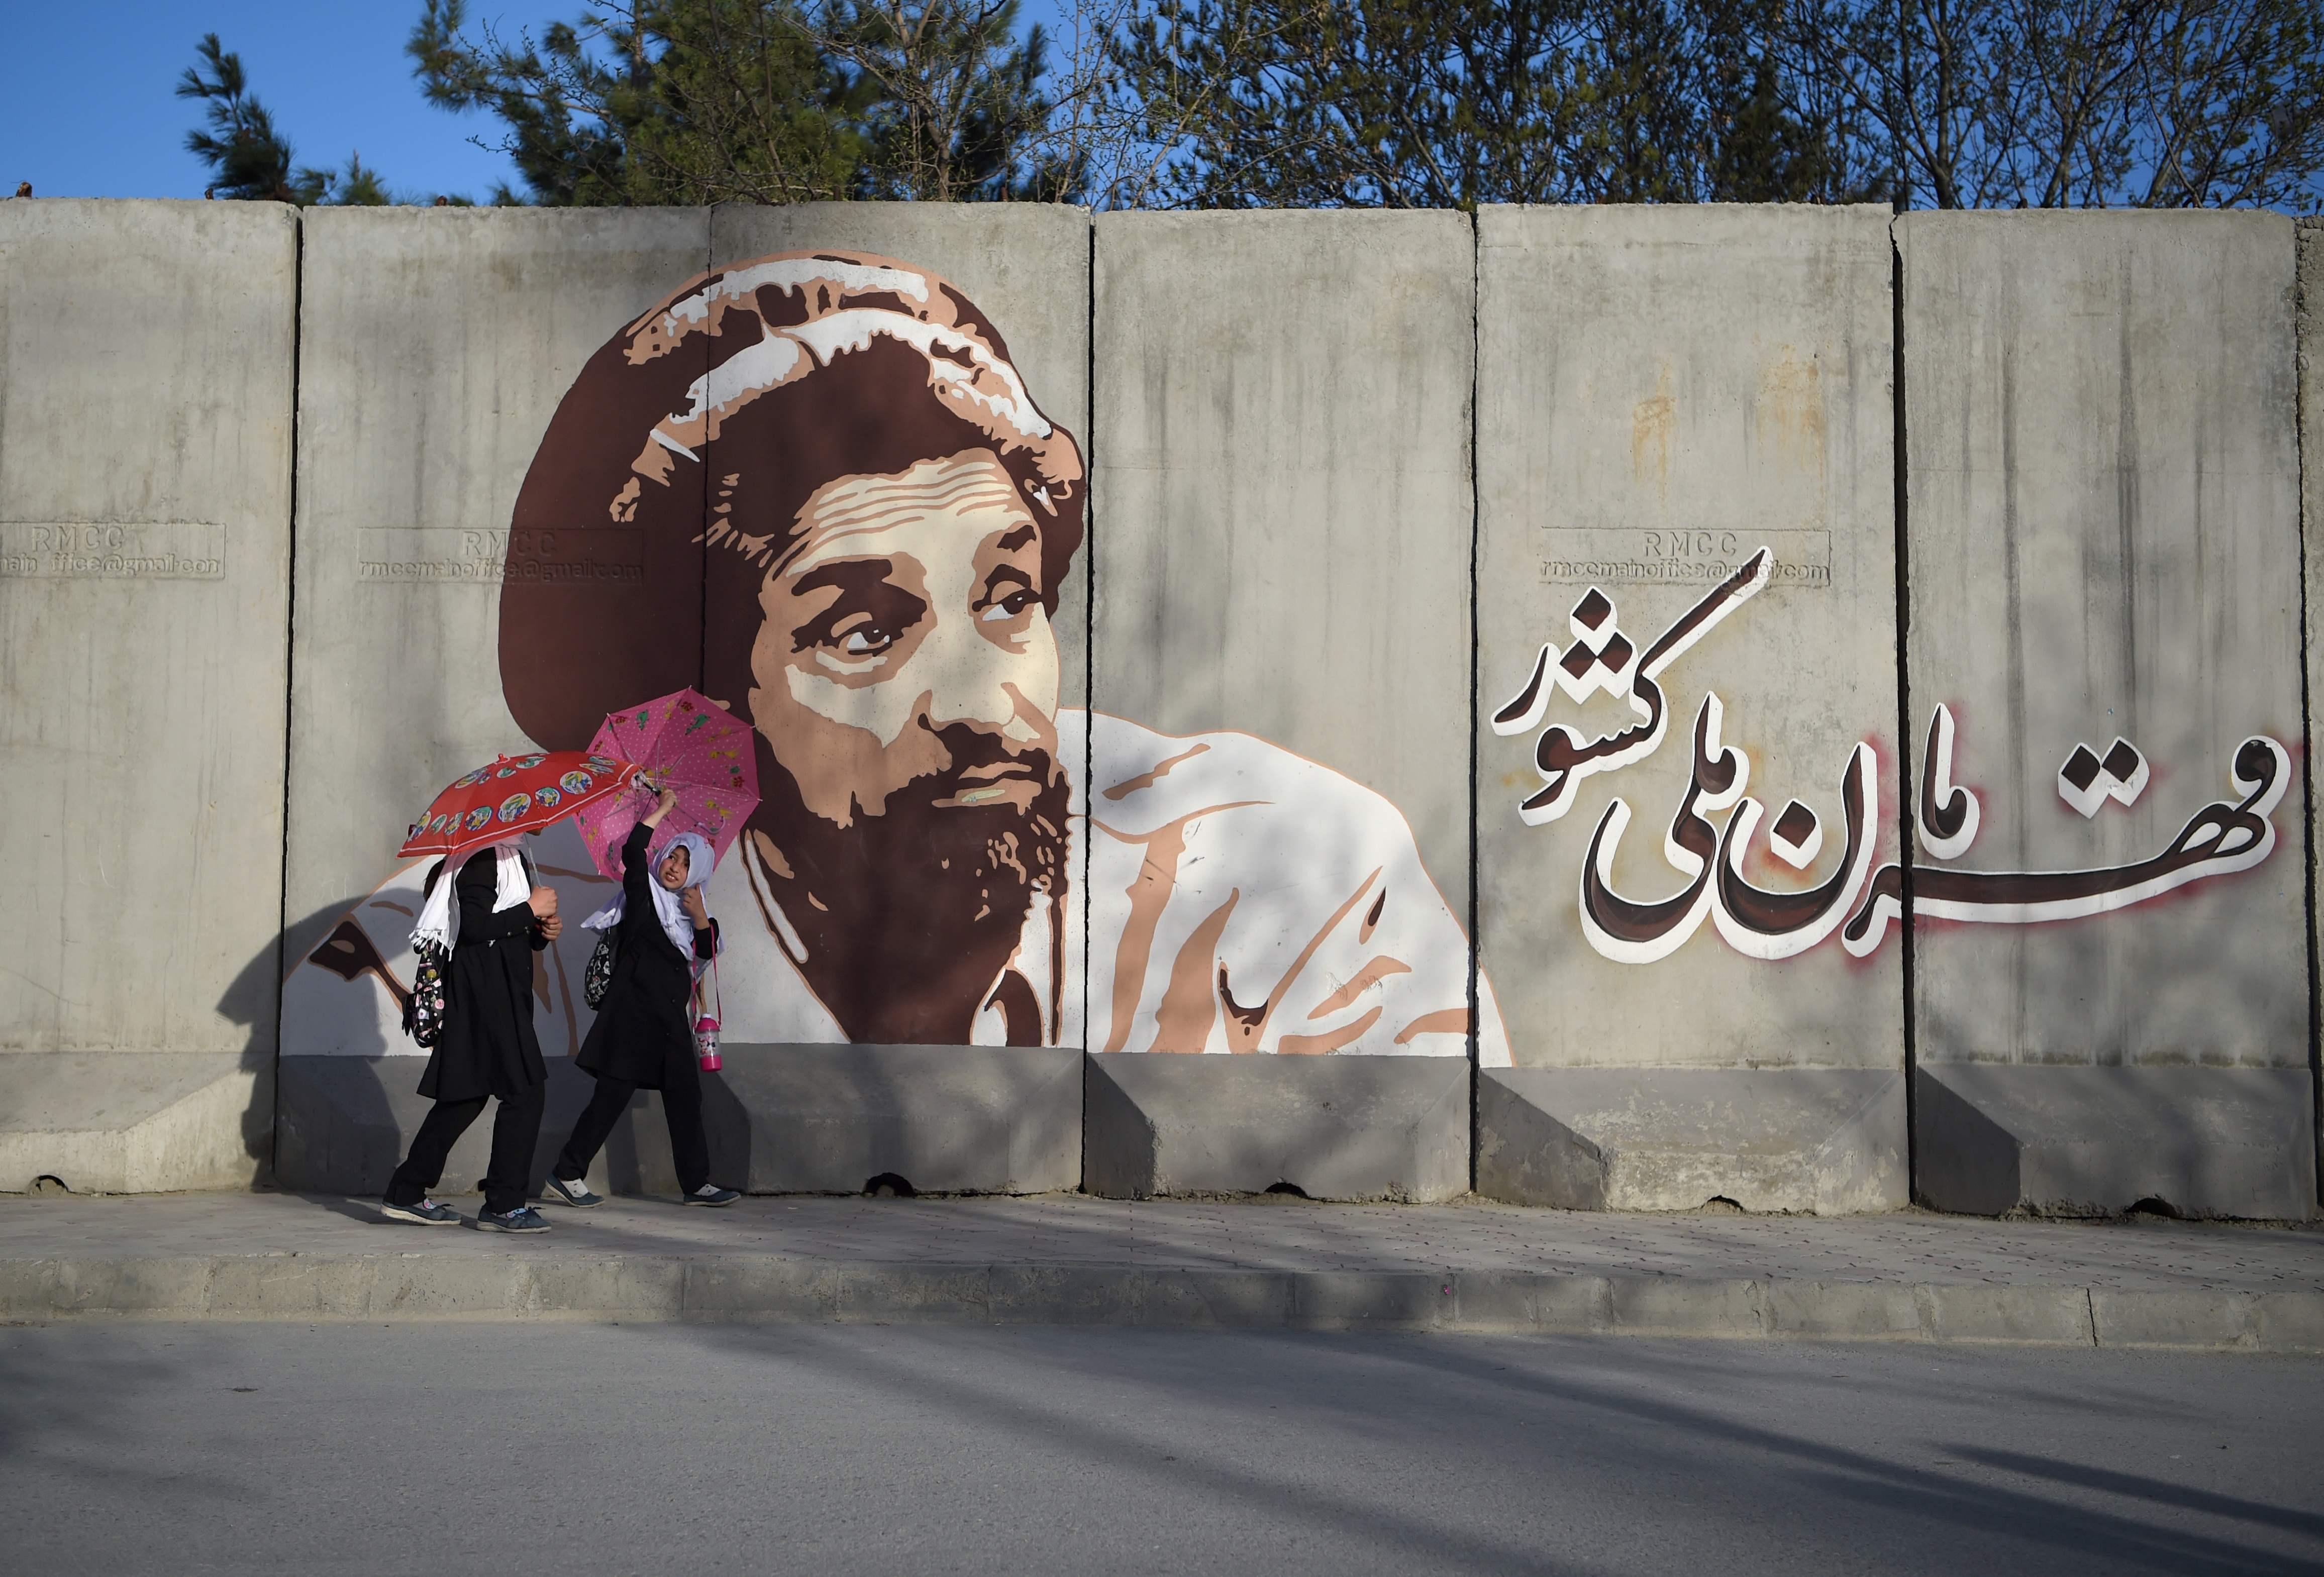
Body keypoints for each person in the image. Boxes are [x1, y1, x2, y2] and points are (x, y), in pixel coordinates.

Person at [496, 250, 1514, 1064]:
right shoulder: (545, 917)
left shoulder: (1295, 883)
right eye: (863, 633)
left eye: (1007, 598)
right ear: (713, 696)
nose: (983, 706)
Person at [543, 783, 740, 1208]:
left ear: (698, 873)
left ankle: (696, 1183)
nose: (674, 866)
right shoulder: (644, 898)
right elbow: (634, 855)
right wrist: (663, 807)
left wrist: (701, 918)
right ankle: (567, 1171)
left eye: (686, 862)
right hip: (631, 1020)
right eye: (672, 855)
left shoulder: (694, 919)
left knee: (686, 1098)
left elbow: (704, 956)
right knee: (610, 1098)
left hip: (669, 1025)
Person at [380, 836, 560, 1231]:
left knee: (466, 1094)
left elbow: (507, 929)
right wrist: (530, 909)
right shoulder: (482, 858)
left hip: (497, 990)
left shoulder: (511, 858)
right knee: (525, 1091)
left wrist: (539, 931)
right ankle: (504, 1203)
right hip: (487, 993)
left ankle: (406, 1191)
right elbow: (474, 927)